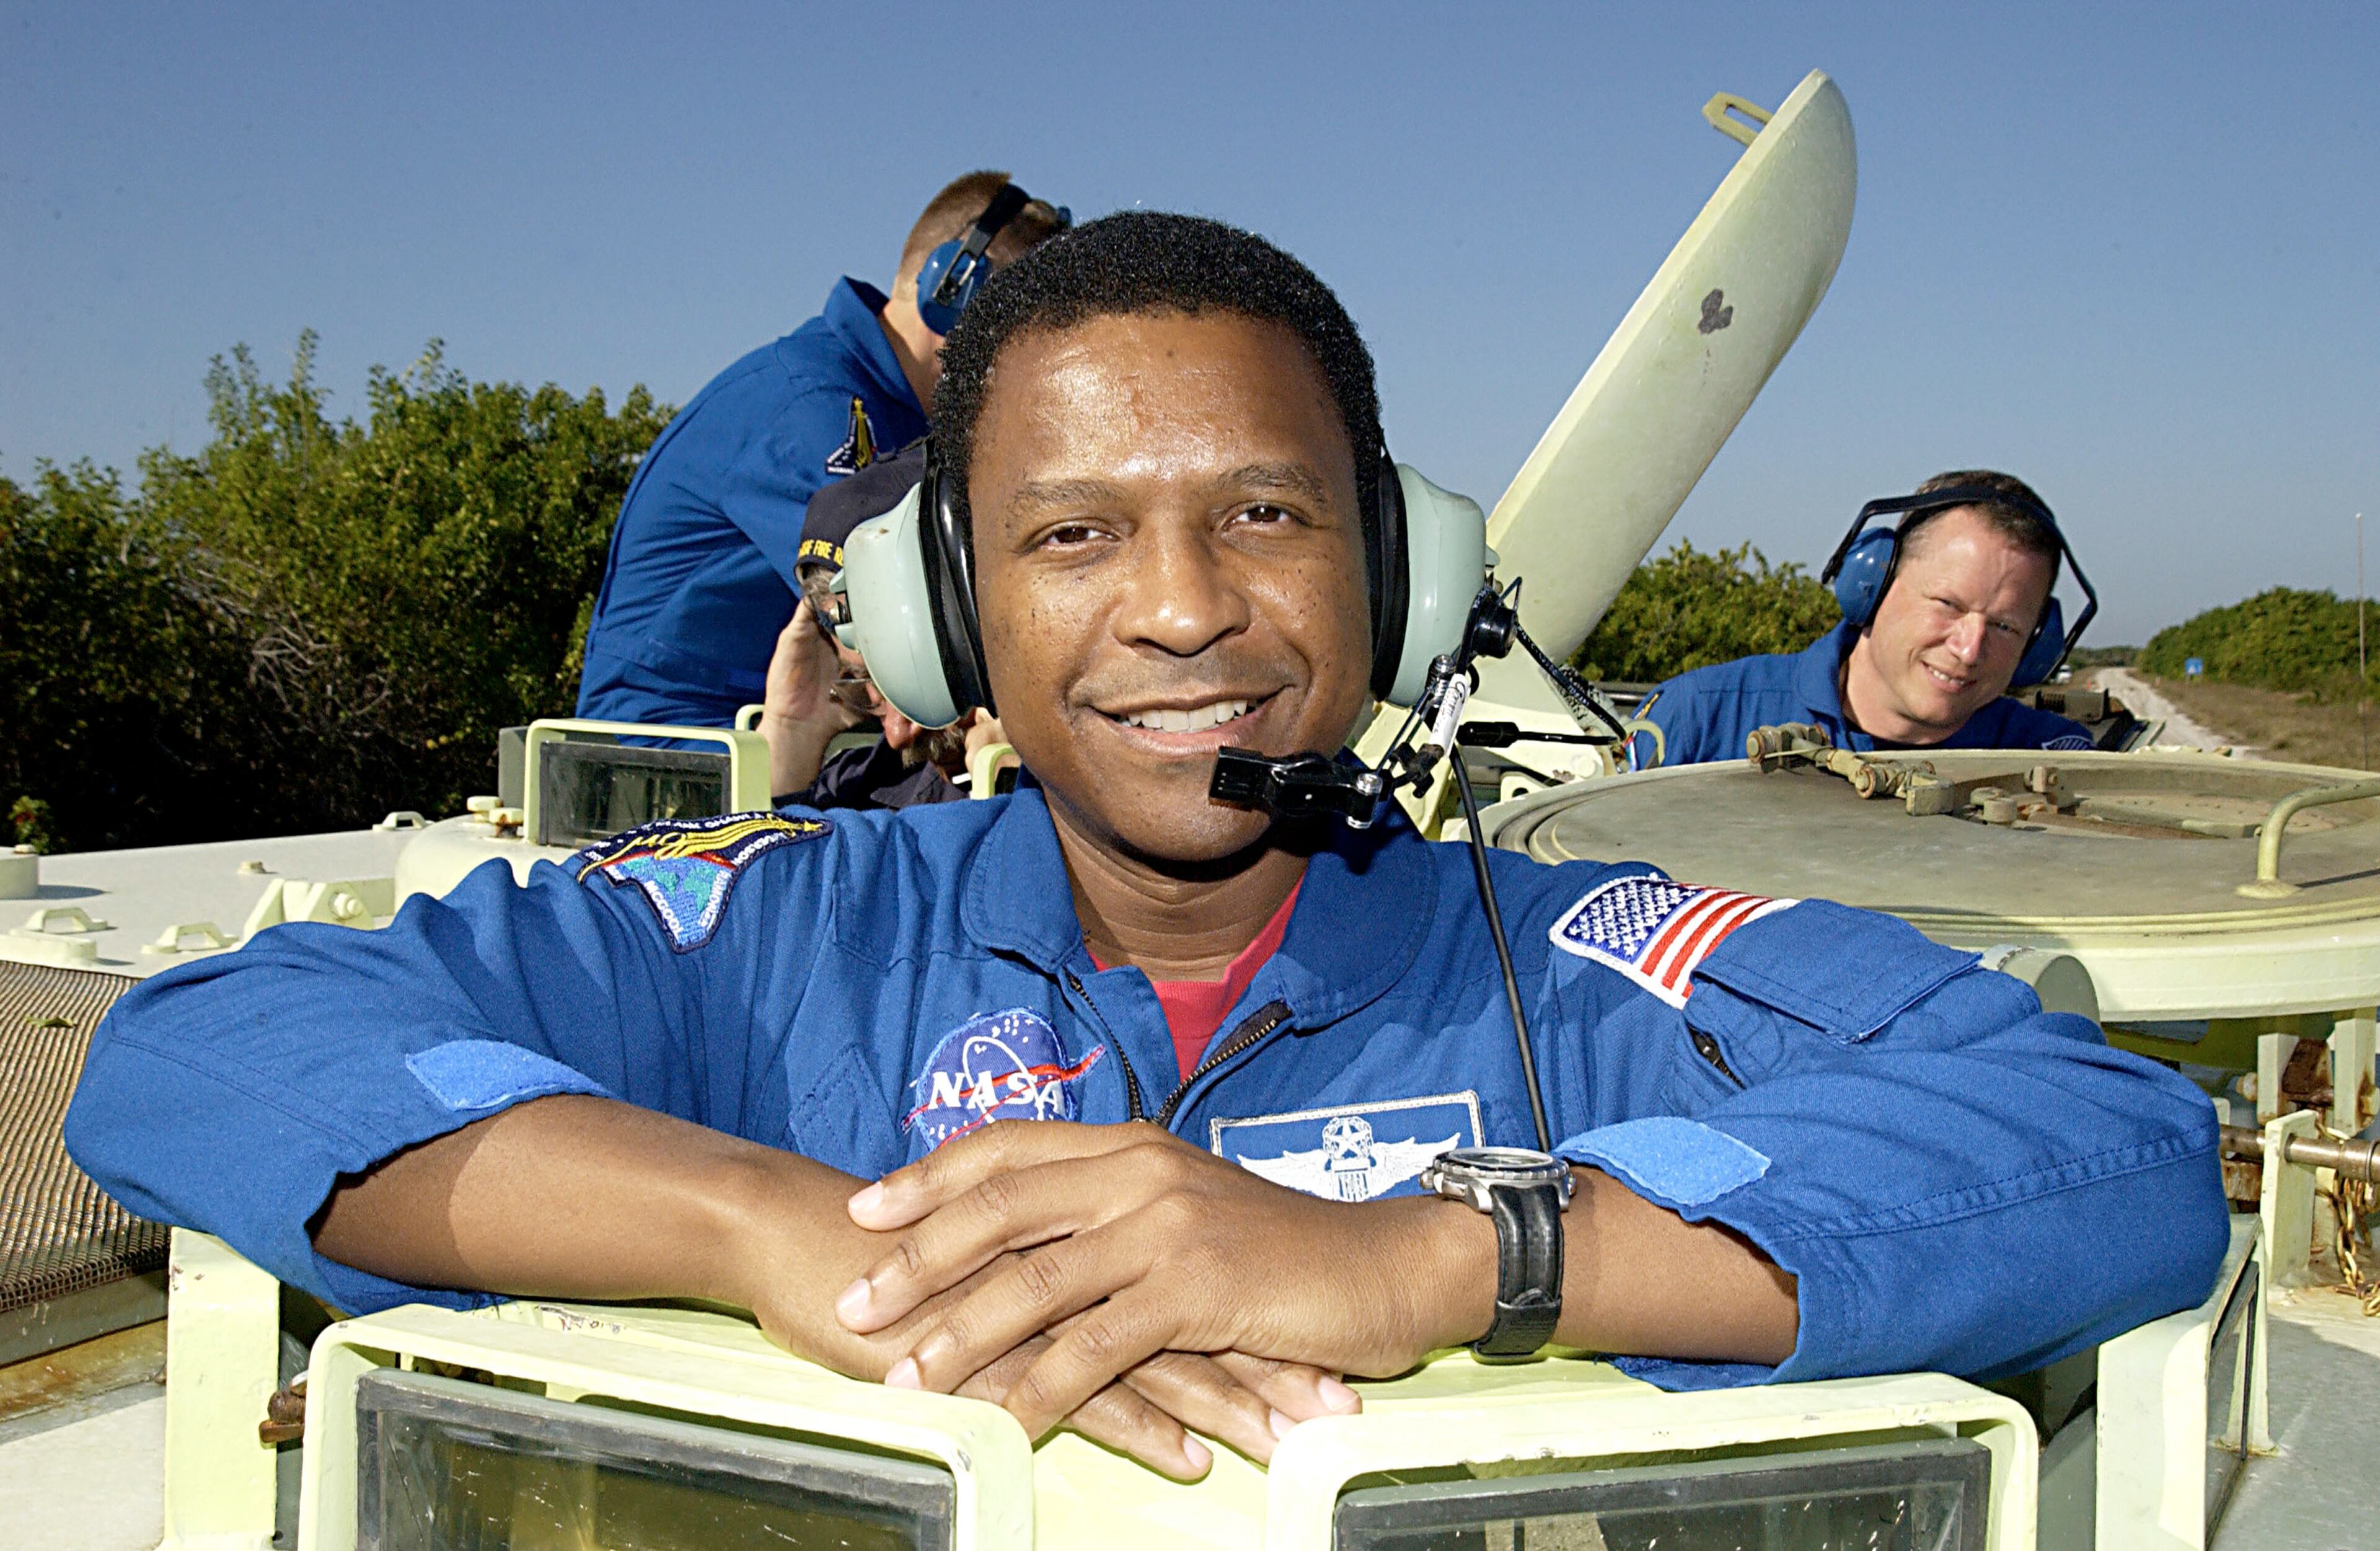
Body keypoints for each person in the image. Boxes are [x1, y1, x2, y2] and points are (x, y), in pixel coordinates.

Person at [66, 215, 2225, 1485]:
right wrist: (763, 1224)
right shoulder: (772, 931)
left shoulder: (1588, 951)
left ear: (1393, 571)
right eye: (1072, 533)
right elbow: (206, 1049)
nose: (1182, 607)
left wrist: (1442, 1258)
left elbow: (2105, 1143)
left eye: (1267, 515)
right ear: (946, 614)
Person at [575, 171, 1068, 728]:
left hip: (781, 731)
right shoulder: (815, 407)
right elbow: (900, 629)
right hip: (672, 743)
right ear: (951, 295)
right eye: (1020, 336)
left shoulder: (897, 415)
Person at [1635, 471, 2097, 766]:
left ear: (2037, 646)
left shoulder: (2052, 764)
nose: (1969, 649)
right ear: (1871, 585)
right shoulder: (1701, 718)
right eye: (1948, 605)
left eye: (2004, 627)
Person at [759, 441, 1008, 810]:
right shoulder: (858, 787)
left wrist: (1025, 790)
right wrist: (792, 733)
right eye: (867, 686)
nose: (896, 733)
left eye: (908, 674)